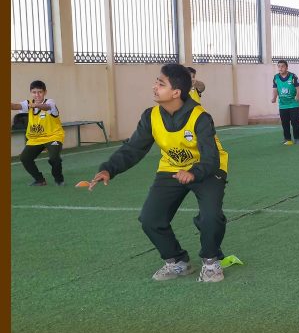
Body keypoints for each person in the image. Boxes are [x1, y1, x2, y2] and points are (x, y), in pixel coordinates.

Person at [89, 64, 229, 283]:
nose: (155, 87)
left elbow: (211, 158)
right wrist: (109, 168)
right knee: (150, 219)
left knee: (211, 217)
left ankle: (211, 262)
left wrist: (193, 172)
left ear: (176, 93)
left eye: (161, 84)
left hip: (207, 169)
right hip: (171, 168)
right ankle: (178, 262)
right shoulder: (151, 116)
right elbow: (133, 148)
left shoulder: (200, 117)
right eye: (156, 82)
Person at [10, 80, 65, 186]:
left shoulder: (50, 102)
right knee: (25, 158)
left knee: (54, 158)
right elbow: (15, 106)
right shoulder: (28, 104)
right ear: (31, 93)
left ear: (45, 92)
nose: (37, 95)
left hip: (53, 136)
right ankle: (40, 180)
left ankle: (59, 179)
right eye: (34, 92)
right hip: (35, 139)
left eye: (40, 92)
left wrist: (36, 105)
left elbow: (47, 107)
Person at [271, 59, 299, 145]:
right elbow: (275, 89)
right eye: (279, 66)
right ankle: (287, 139)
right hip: (283, 104)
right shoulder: (276, 77)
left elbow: (298, 88)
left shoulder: (293, 76)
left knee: (295, 121)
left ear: (286, 67)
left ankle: (297, 138)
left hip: (293, 104)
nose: (280, 68)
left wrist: (297, 96)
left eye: (282, 66)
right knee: (284, 122)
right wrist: (274, 98)